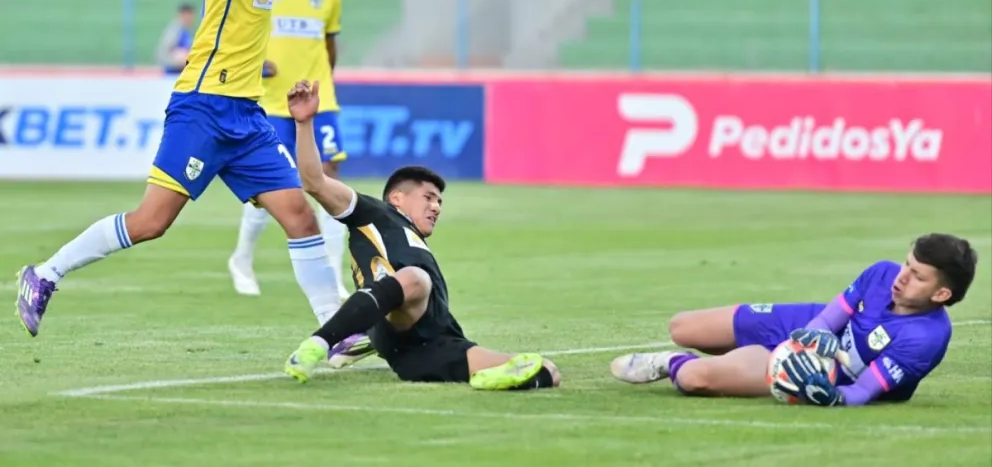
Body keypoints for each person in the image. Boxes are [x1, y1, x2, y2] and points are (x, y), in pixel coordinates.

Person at [15, 0, 345, 345]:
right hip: (203, 107)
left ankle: (338, 333)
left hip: (247, 115)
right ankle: (46, 273)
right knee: (151, 222)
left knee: (300, 217)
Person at [281, 80, 562, 390]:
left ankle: (484, 378)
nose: (436, 206)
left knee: (545, 370)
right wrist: (304, 123)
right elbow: (314, 182)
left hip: (432, 348)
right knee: (415, 278)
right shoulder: (375, 213)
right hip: (400, 318)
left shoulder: (417, 244)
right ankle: (322, 342)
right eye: (428, 197)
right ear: (397, 198)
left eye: (439, 201)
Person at [610, 233, 977, 406]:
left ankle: (671, 363)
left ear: (941, 294)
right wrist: (815, 335)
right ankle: (725, 356)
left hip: (829, 371)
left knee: (693, 378)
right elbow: (829, 317)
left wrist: (829, 396)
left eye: (917, 275)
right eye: (906, 264)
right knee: (683, 327)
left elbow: (863, 390)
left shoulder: (925, 338)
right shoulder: (881, 274)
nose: (902, 276)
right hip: (808, 326)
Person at [229, 0, 352, 304]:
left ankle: (333, 277)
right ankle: (242, 259)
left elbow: (330, 45)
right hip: (271, 103)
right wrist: (256, 64)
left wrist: (322, 83)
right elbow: (241, 35)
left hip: (319, 101)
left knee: (329, 181)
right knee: (274, 185)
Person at [156, 2, 197, 74]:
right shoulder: (174, 30)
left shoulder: (190, 31)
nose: (190, 17)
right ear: (181, 15)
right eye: (188, 14)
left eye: (191, 14)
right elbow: (164, 52)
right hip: (173, 70)